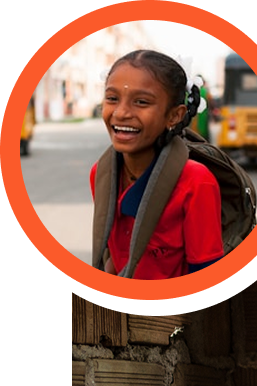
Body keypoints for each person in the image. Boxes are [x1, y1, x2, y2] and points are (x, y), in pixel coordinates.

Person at [90, 50, 223, 279]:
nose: (121, 113)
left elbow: (206, 277)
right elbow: (115, 254)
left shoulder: (196, 182)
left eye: (141, 102)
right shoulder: (101, 173)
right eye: (112, 98)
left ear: (174, 116)